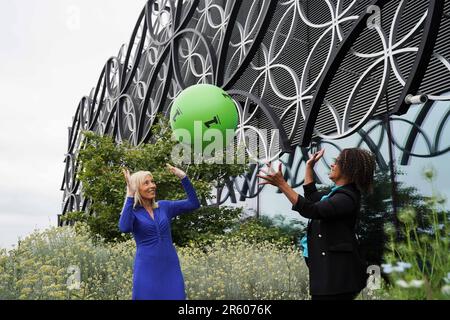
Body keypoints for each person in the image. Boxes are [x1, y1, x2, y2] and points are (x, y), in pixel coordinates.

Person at [257, 148, 376, 300]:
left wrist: (282, 184)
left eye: (337, 162)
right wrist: (309, 167)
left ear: (349, 169)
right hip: (329, 279)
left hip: (338, 280)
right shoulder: (334, 195)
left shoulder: (346, 198)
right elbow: (312, 196)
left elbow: (311, 209)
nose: (332, 165)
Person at [119, 164, 200, 300]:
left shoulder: (164, 207)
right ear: (137, 188)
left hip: (170, 268)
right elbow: (124, 227)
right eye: (146, 183)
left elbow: (193, 203)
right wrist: (130, 195)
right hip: (147, 270)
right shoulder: (133, 213)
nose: (152, 185)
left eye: (152, 181)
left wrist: (183, 177)